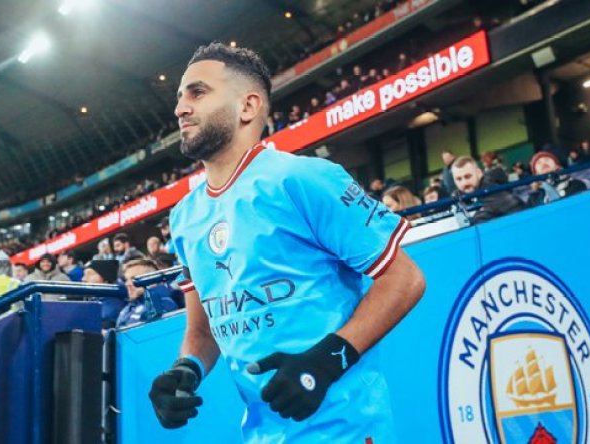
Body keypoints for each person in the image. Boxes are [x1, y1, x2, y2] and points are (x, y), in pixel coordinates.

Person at [149, 43, 425, 442]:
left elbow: (404, 278)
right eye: (180, 97)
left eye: (198, 92)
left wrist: (327, 361)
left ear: (248, 106)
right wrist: (186, 369)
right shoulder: (183, 218)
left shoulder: (304, 178)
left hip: (344, 429)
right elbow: (204, 330)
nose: (180, 109)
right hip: (263, 435)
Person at [451, 156, 524, 223]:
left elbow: (517, 209)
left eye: (468, 177)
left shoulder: (493, 191)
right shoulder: (457, 198)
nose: (464, 183)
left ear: (479, 173)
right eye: (458, 179)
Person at [116, 259, 178, 329]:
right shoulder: (130, 306)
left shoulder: (164, 303)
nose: (127, 284)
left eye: (134, 279)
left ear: (152, 281)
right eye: (126, 280)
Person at [83, 259, 126, 328]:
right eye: (84, 274)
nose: (83, 279)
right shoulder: (93, 299)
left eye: (90, 274)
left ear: (105, 279)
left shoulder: (112, 307)